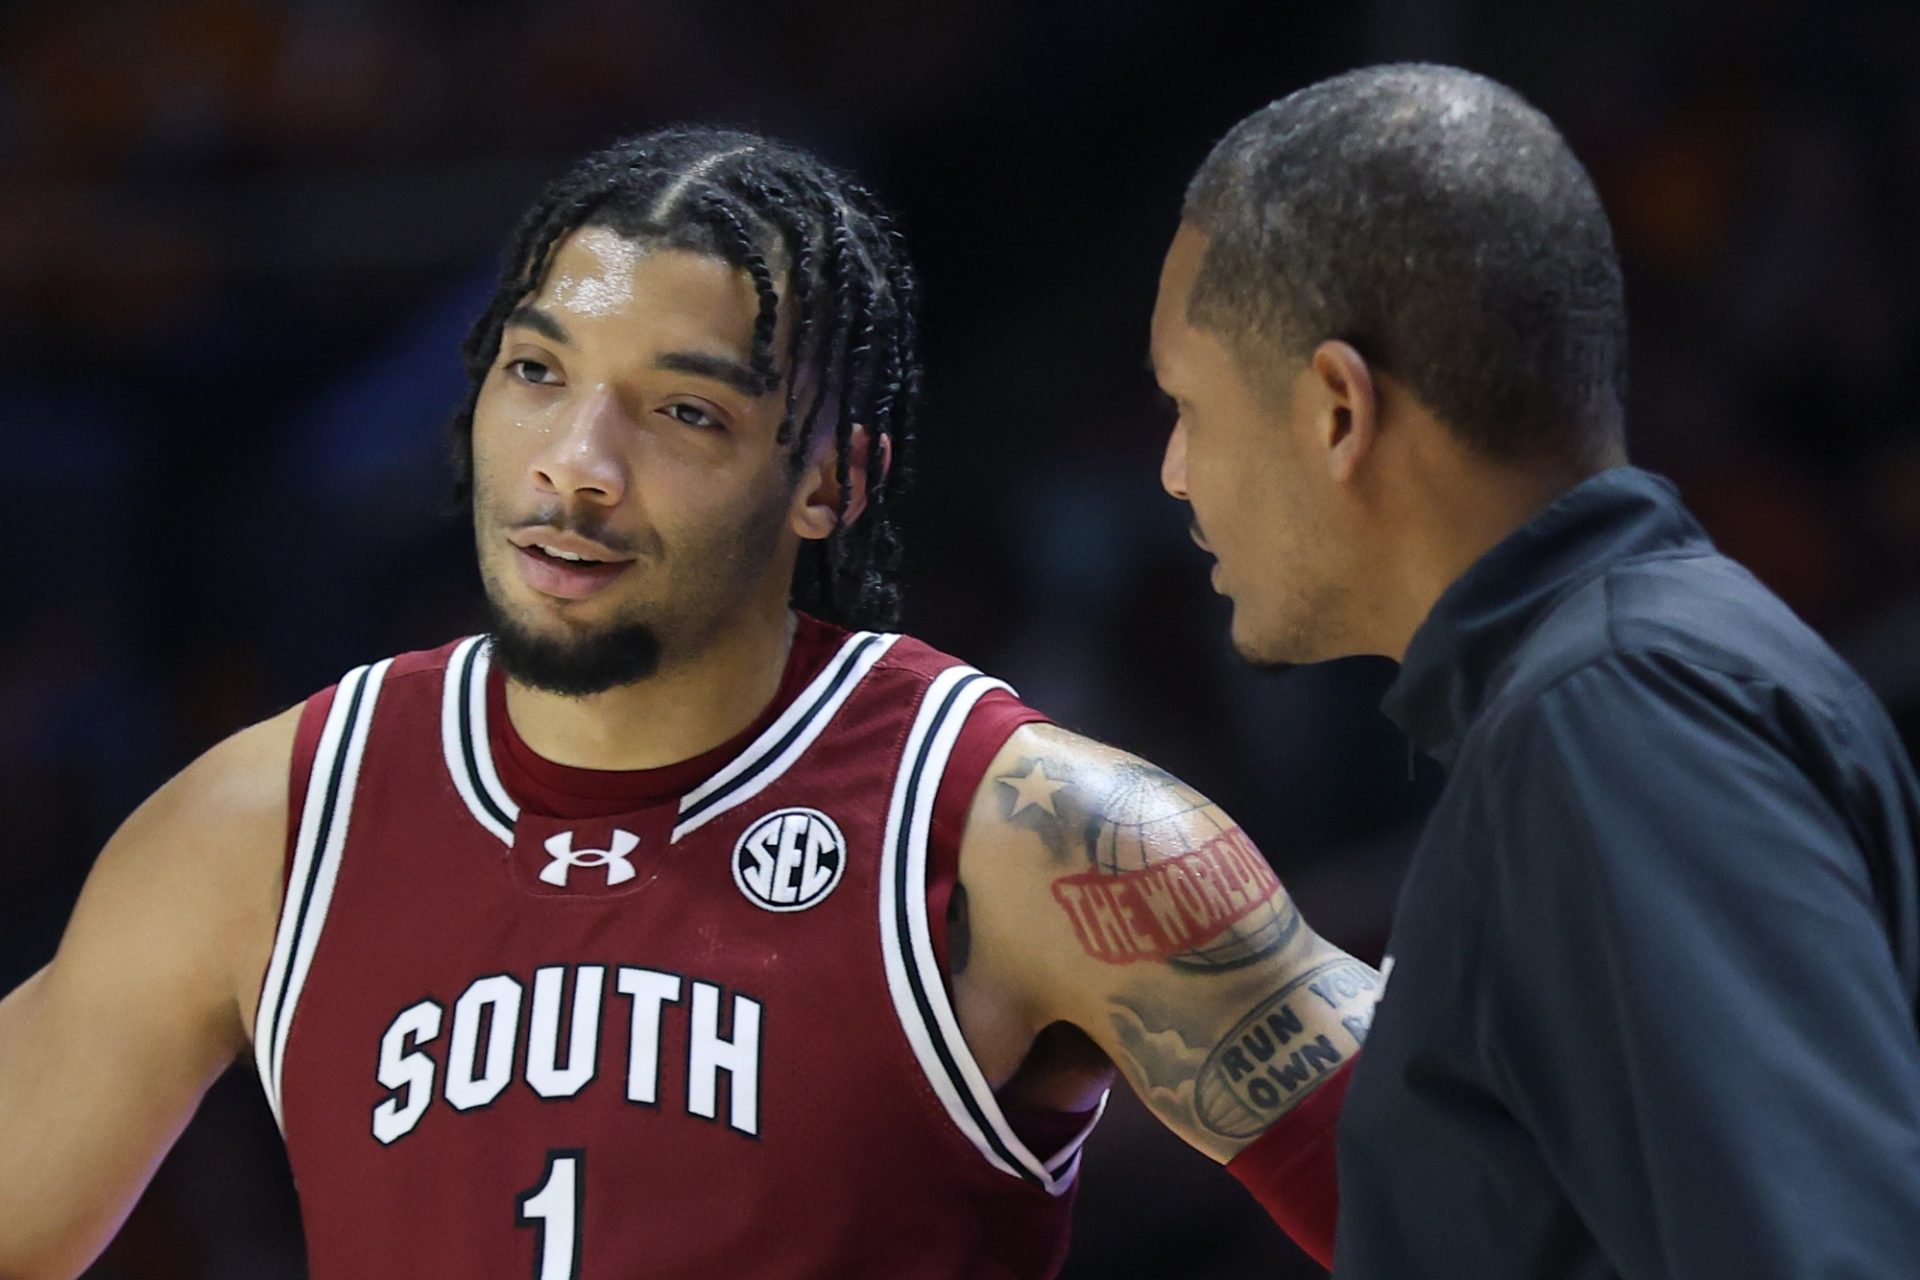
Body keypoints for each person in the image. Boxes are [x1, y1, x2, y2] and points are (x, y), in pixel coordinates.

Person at [0, 127, 1374, 1280]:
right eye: (538, 375)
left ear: (834, 480)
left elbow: (1515, 1218)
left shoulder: (1036, 832)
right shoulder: (270, 819)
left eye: (684, 415)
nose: (579, 466)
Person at [1150, 61, 1920, 1279]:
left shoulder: (1612, 717)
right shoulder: (1626, 685)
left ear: (1337, 409)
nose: (1174, 472)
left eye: (1188, 406)